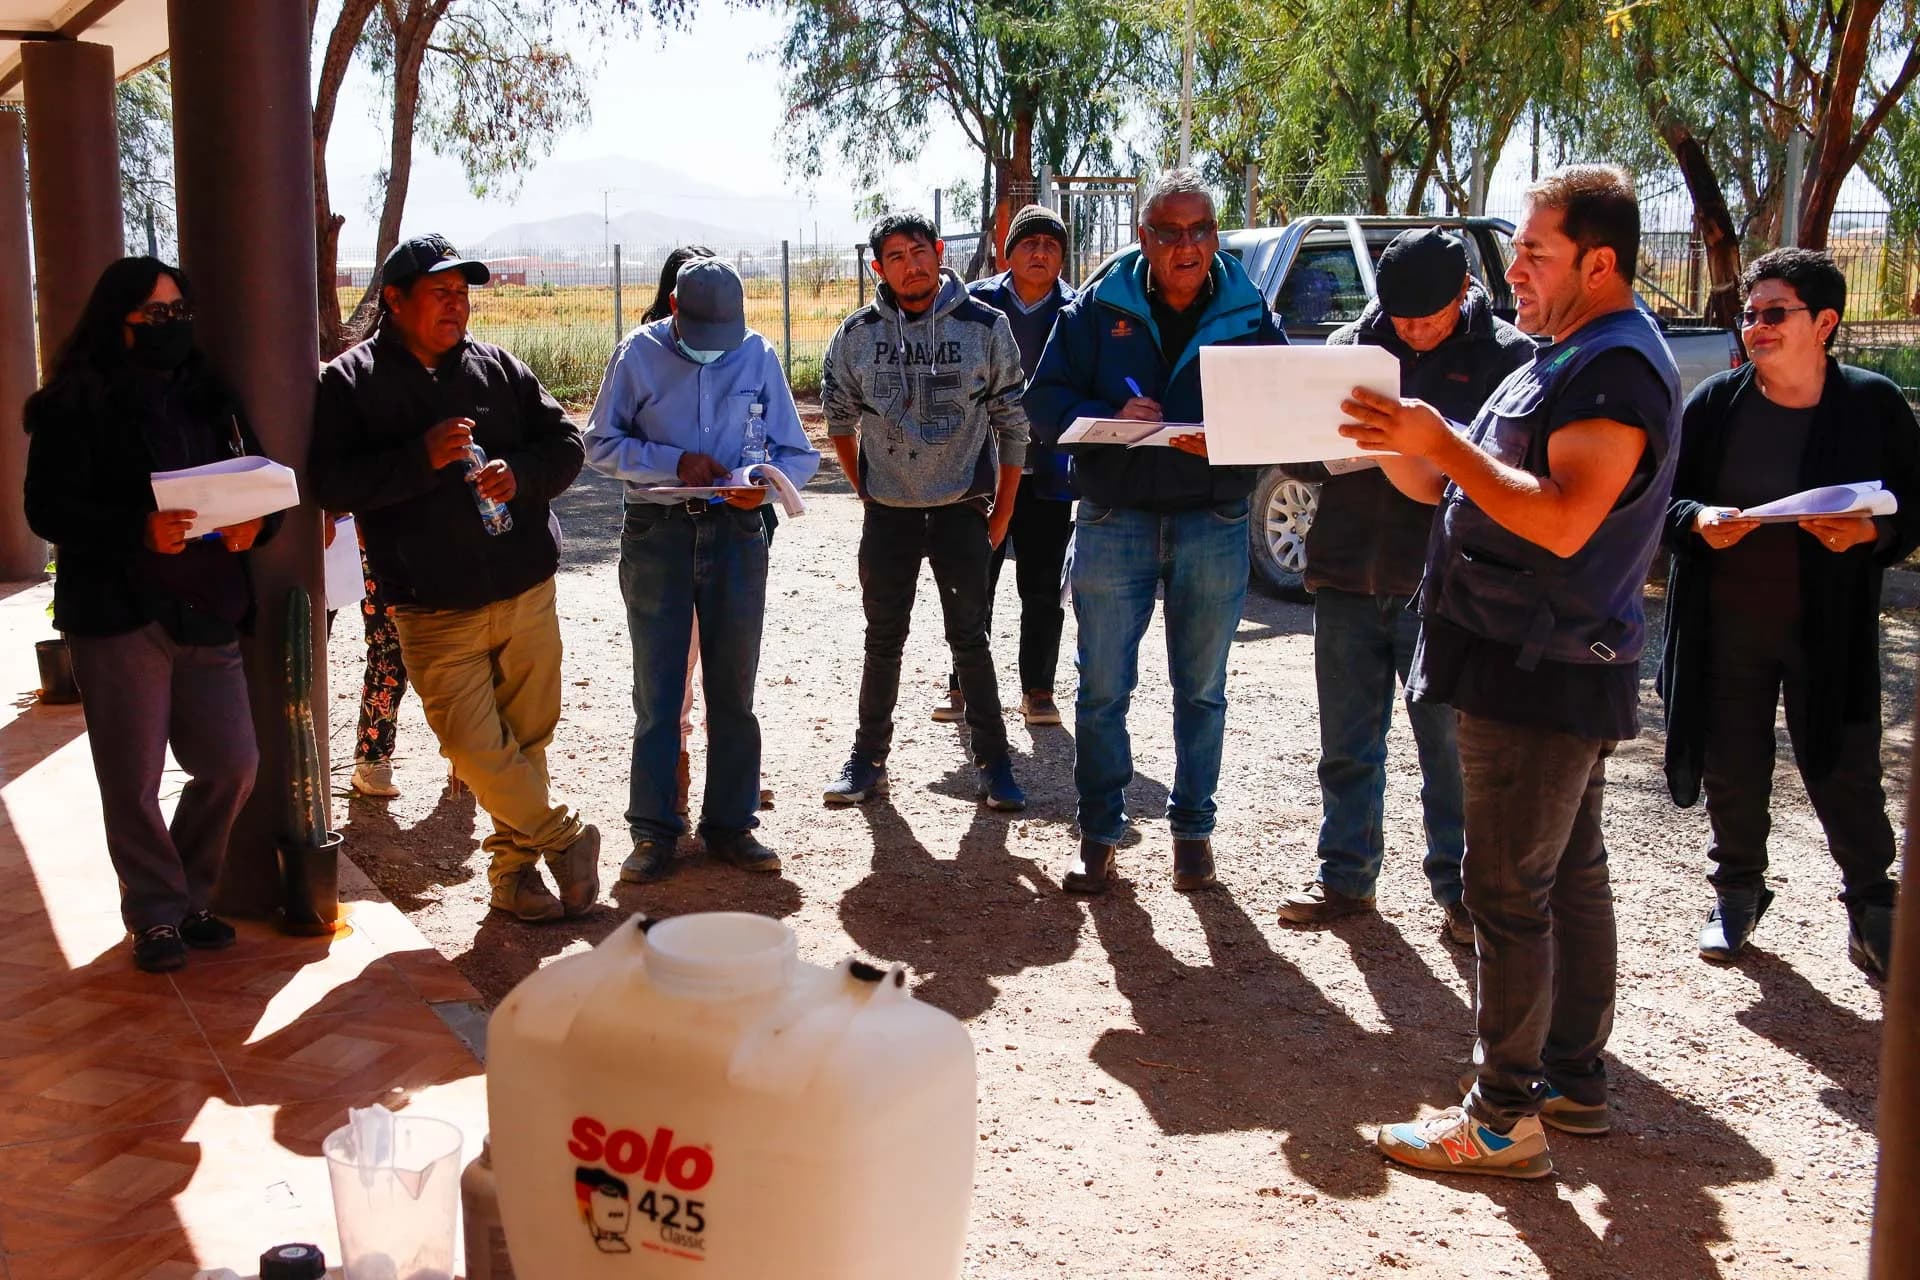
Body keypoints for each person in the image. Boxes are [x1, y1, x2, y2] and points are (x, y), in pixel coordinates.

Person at [1343, 166, 1681, 1178]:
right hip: (1525, 653)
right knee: (1566, 874)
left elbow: (1565, 518)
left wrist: (1443, 445)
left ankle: (1501, 1118)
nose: (1515, 268)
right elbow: (1449, 485)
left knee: (1507, 890)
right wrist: (1392, 440)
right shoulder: (1562, 354)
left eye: (1536, 251)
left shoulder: (1614, 370)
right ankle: (1573, 1082)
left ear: (1599, 262)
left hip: (1543, 665)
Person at [310, 233, 600, 924]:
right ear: (394, 299)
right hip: (432, 607)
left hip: (526, 590)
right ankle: (564, 836)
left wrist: (519, 475)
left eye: (462, 293)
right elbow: (330, 483)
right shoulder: (349, 383)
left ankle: (512, 876)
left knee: (525, 743)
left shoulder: (497, 368)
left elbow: (566, 443)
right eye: (440, 292)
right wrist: (421, 458)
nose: (456, 305)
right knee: (472, 747)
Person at [1023, 168, 1286, 894]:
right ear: (1144, 238)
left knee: (1201, 689)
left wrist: (1229, 435)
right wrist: (1109, 415)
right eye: (1170, 232)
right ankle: (1099, 835)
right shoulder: (1096, 306)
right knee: (1102, 688)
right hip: (1116, 518)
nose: (1186, 245)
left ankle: (1193, 834)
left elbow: (1282, 409)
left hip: (1214, 518)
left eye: (1200, 230)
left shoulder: (1248, 311)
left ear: (1215, 236)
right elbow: (1042, 403)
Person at [1657, 247, 1917, 981]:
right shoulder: (1715, 404)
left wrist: (1869, 535)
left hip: (1827, 628)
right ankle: (1737, 894)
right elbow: (1663, 500)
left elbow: (1912, 504)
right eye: (1748, 314)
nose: (1755, 326)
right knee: (1732, 766)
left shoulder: (1872, 404)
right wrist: (1699, 518)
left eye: (1774, 313)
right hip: (1725, 625)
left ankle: (1873, 907)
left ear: (1825, 322)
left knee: (1847, 769)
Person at [1275, 227, 1534, 945]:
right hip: (1347, 573)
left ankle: (1461, 893)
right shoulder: (1349, 348)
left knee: (1449, 751)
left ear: (1465, 293)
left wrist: (1429, 446)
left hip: (1448, 586)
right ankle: (1345, 877)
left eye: (1428, 318)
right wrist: (1328, 446)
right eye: (1400, 318)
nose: (1413, 331)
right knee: (1347, 744)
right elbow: (1302, 457)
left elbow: (1512, 470)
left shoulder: (1508, 357)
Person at [24, 257, 275, 972]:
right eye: (155, 314)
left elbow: (257, 478)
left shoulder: (212, 395)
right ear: (118, 321)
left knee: (232, 764)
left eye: (179, 312)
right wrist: (137, 529)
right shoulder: (72, 405)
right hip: (119, 615)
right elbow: (46, 510)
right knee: (131, 780)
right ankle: (157, 914)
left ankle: (191, 895)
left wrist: (257, 526)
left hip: (207, 606)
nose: (172, 326)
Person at [584, 256, 819, 882]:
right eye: (700, 334)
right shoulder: (636, 354)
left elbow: (798, 454)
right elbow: (599, 444)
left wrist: (762, 485)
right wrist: (672, 460)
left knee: (733, 689)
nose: (714, 349)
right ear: (673, 309)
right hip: (657, 532)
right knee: (659, 691)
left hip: (737, 534)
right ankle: (654, 831)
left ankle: (731, 826)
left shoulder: (758, 355)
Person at [820, 210, 1032, 811]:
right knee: (883, 638)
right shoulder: (857, 334)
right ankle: (867, 760)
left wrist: (1003, 511)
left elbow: (1013, 425)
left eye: (919, 252)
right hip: (889, 514)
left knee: (971, 639)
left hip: (962, 509)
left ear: (938, 252)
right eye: (896, 257)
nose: (911, 266)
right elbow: (839, 418)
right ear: (877, 268)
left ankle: (994, 764)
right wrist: (866, 489)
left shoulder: (985, 326)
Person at [933, 205, 1077, 727]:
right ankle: (963, 686)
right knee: (973, 581)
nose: (1040, 253)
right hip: (981, 475)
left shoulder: (1077, 312)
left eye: (1051, 245)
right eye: (1029, 243)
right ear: (1006, 253)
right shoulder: (974, 306)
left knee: (1042, 587)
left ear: (1062, 258)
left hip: (1050, 474)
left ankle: (1038, 690)